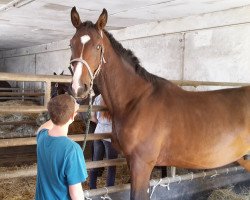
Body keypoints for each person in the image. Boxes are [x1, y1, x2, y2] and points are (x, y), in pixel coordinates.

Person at [35, 94, 88, 200]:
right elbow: (76, 193)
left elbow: (41, 128)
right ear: (73, 116)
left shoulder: (42, 137)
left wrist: (57, 112)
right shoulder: (72, 149)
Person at [89, 94, 118, 189]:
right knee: (111, 165)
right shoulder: (116, 96)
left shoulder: (98, 97)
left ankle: (92, 188)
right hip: (110, 135)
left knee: (95, 162)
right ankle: (109, 190)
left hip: (98, 132)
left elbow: (92, 117)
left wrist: (101, 124)